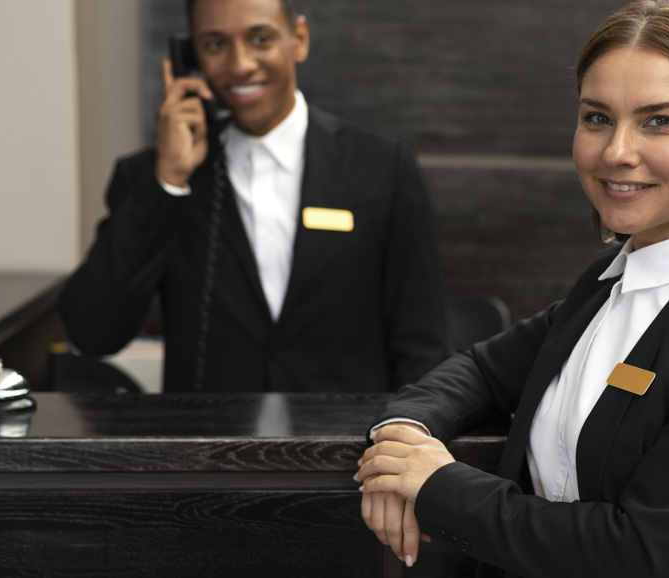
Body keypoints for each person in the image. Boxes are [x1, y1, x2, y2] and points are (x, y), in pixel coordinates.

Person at [354, 1, 669, 575]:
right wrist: (403, 435)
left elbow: (639, 551)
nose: (616, 152)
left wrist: (436, 486)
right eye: (597, 117)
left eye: (660, 121)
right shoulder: (606, 284)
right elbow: (478, 370)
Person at [59, 0, 449, 393]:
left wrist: (407, 441)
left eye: (260, 39)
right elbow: (93, 333)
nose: (241, 64)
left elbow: (421, 345)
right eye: (215, 44)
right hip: (208, 446)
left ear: (298, 39)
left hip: (346, 446)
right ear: (189, 57)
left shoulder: (383, 165)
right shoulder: (151, 178)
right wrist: (168, 182)